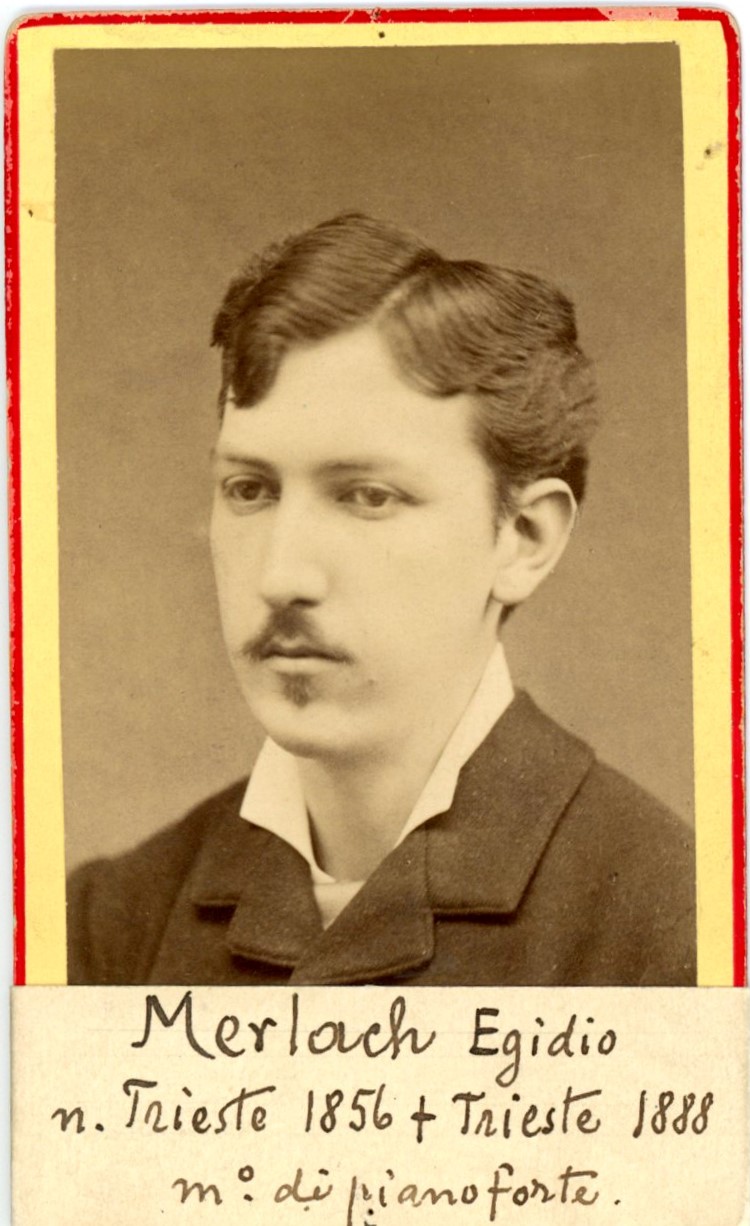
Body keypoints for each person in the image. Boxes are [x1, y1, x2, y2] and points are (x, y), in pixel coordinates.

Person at [67, 213, 696, 986]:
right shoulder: (110, 927)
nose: (281, 576)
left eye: (367, 496)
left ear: (523, 539)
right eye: (250, 489)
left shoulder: (675, 929)